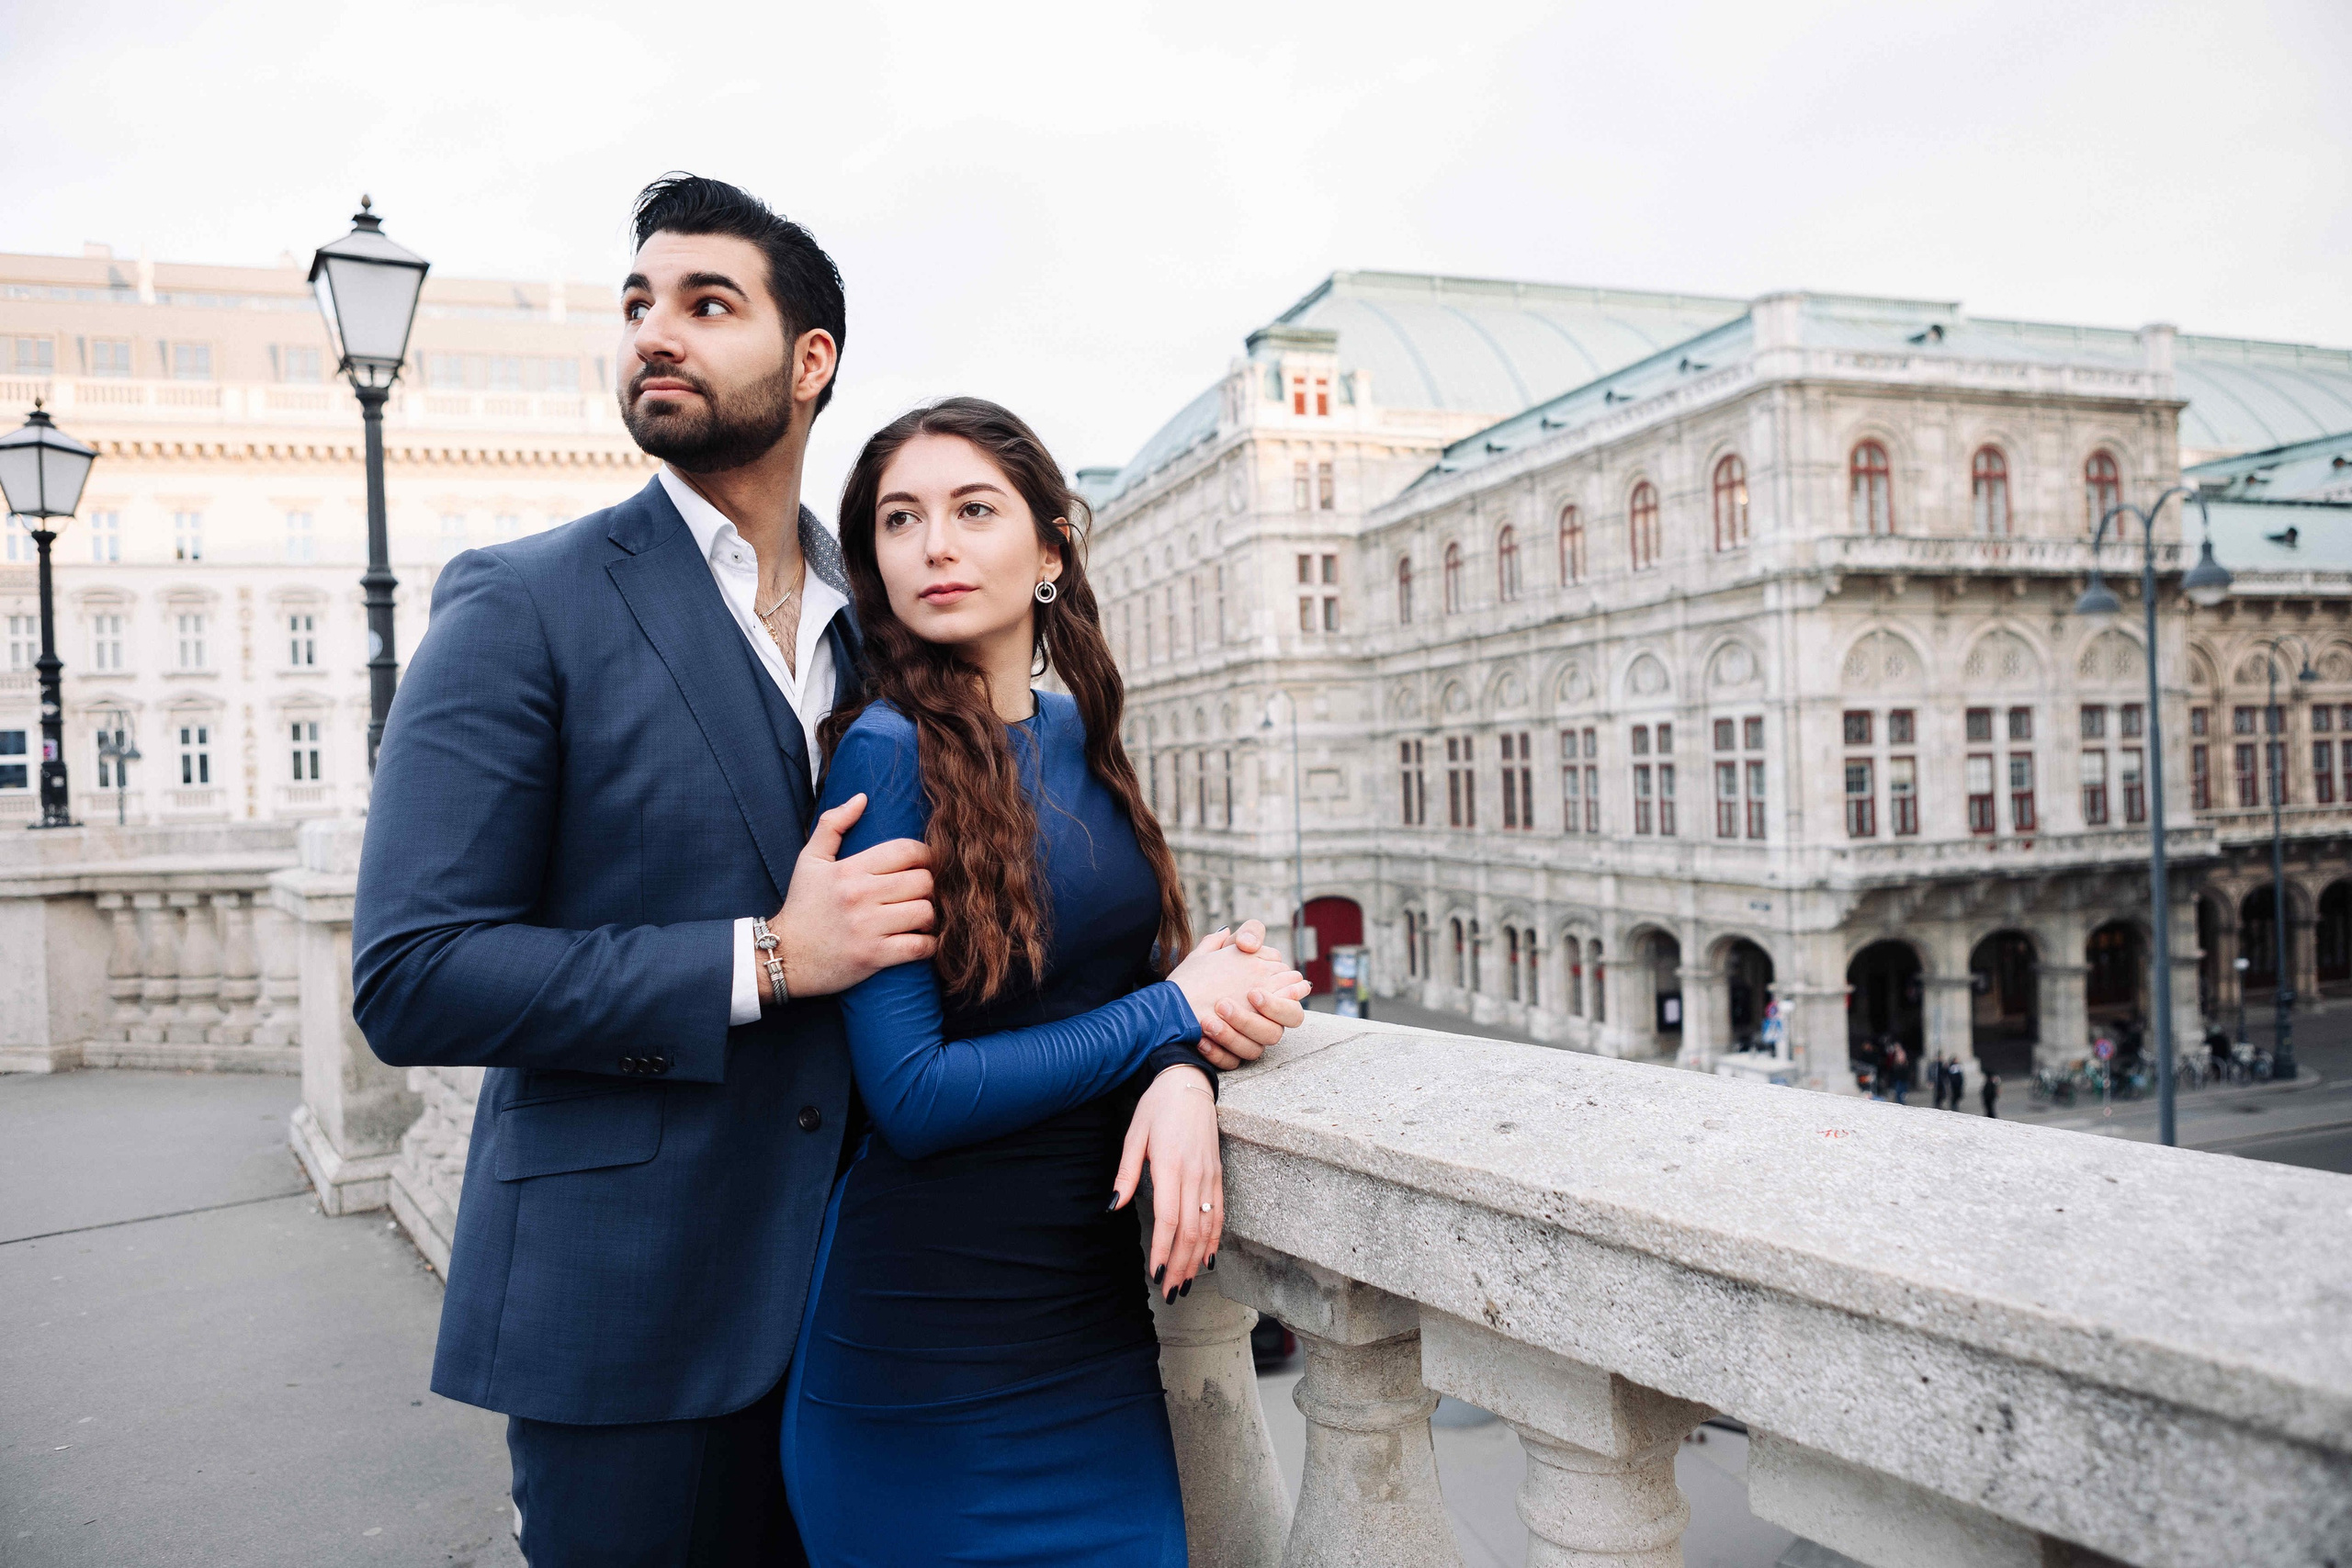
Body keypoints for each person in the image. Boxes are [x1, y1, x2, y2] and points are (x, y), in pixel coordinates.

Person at [351, 178, 1304, 1566]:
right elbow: (413, 974)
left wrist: (1175, 1060)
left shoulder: (893, 624)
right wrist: (773, 956)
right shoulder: (525, 600)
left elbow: (1046, 946)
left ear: (811, 363)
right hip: (641, 1312)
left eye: (706, 302)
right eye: (637, 304)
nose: (654, 333)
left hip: (899, 1295)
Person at [780, 399, 1310, 1567]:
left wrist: (1177, 1074)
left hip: (1088, 1337)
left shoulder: (1080, 729)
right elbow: (911, 1095)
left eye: (975, 510)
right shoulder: (883, 752)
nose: (936, 545)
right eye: (899, 520)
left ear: (1053, 548)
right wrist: (1172, 1016)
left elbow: (1115, 974)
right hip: (922, 1352)